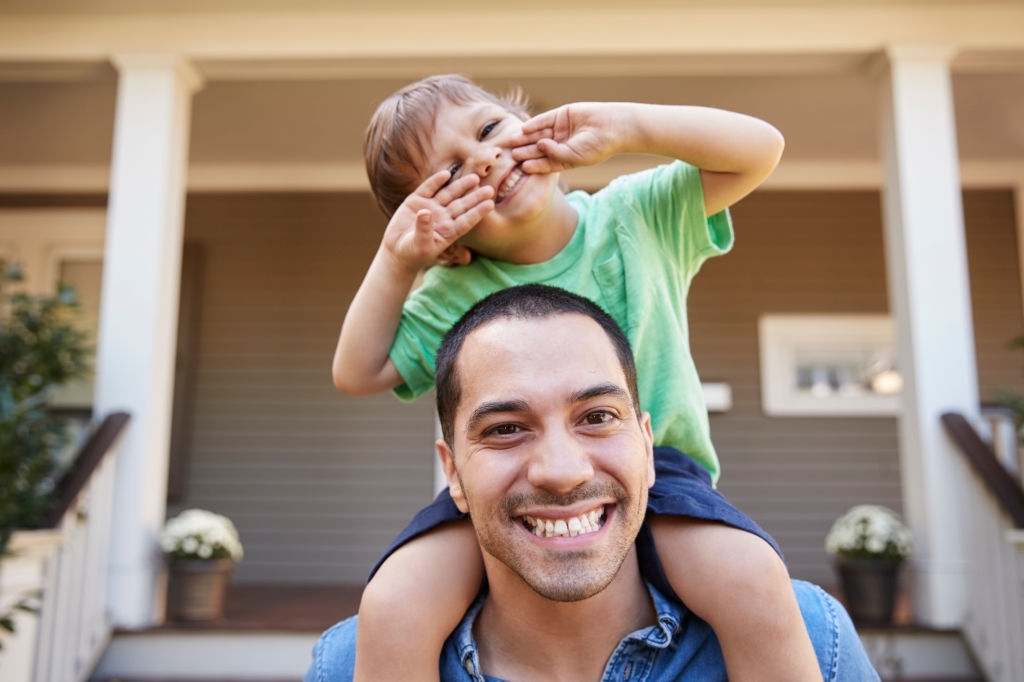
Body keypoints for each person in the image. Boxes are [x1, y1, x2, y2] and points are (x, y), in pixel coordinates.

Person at [332, 74, 817, 682]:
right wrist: (398, 258)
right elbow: (357, 371)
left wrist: (629, 127)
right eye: (451, 173)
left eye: (488, 130)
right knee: (394, 602)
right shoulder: (450, 291)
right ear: (445, 232)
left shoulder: (636, 215)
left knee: (750, 574)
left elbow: (759, 149)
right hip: (505, 494)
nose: (484, 160)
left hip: (658, 471)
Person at [309, 284, 880, 681]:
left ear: (648, 445)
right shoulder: (351, 664)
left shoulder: (810, 635)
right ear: (451, 470)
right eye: (506, 428)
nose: (563, 470)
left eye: (598, 417)